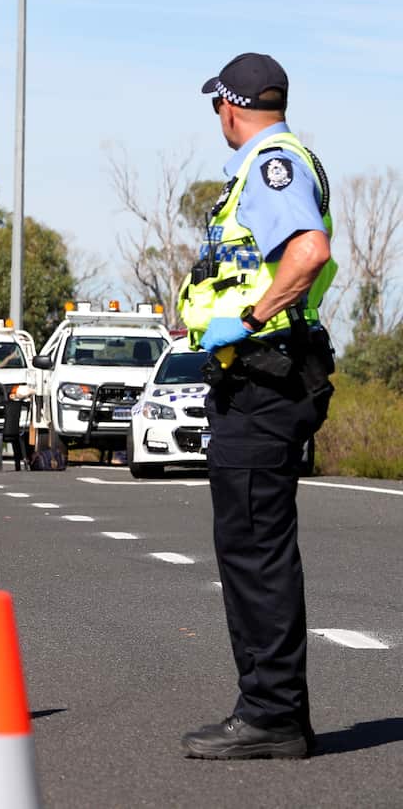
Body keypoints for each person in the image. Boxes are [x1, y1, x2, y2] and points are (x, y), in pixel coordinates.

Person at [177, 52, 337, 760]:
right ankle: (275, 708)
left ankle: (272, 713)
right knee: (251, 545)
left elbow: (307, 250)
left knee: (254, 548)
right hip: (262, 382)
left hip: (266, 383)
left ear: (230, 107)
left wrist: (245, 318)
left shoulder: (273, 163)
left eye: (217, 106)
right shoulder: (272, 160)